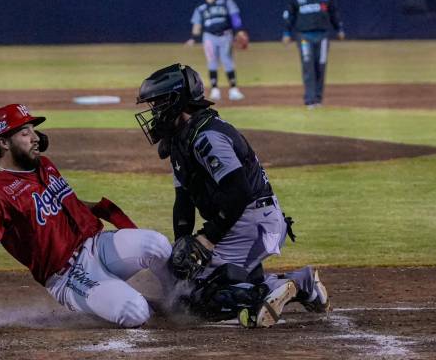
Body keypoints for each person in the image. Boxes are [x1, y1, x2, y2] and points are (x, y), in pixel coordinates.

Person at [135, 64, 330, 328]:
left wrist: (207, 239)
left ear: (178, 100)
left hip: (254, 221)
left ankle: (279, 287)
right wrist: (183, 242)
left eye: (158, 104)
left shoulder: (207, 136)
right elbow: (183, 200)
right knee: (178, 281)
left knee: (196, 300)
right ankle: (294, 283)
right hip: (237, 223)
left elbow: (239, 192)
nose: (154, 112)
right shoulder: (180, 140)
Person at [0, 103, 172, 332]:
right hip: (68, 275)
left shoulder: (43, 165)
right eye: (25, 133)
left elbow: (60, 205)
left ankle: (177, 299)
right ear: (4, 143)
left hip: (97, 245)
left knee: (158, 245)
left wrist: (98, 208)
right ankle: (115, 299)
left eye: (34, 130)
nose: (36, 138)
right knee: (135, 311)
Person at [282, 0, 344, 109]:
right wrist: (286, 33)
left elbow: (334, 13)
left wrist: (339, 29)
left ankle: (318, 98)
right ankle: (310, 99)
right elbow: (289, 15)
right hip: (304, 36)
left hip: (322, 35)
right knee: (308, 66)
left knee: (320, 66)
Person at [186, 0, 248, 101]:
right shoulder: (201, 6)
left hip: (226, 35)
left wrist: (239, 30)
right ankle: (215, 90)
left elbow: (234, 16)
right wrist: (193, 37)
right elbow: (197, 24)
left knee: (227, 62)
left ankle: (233, 90)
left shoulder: (226, 1)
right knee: (212, 62)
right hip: (209, 37)